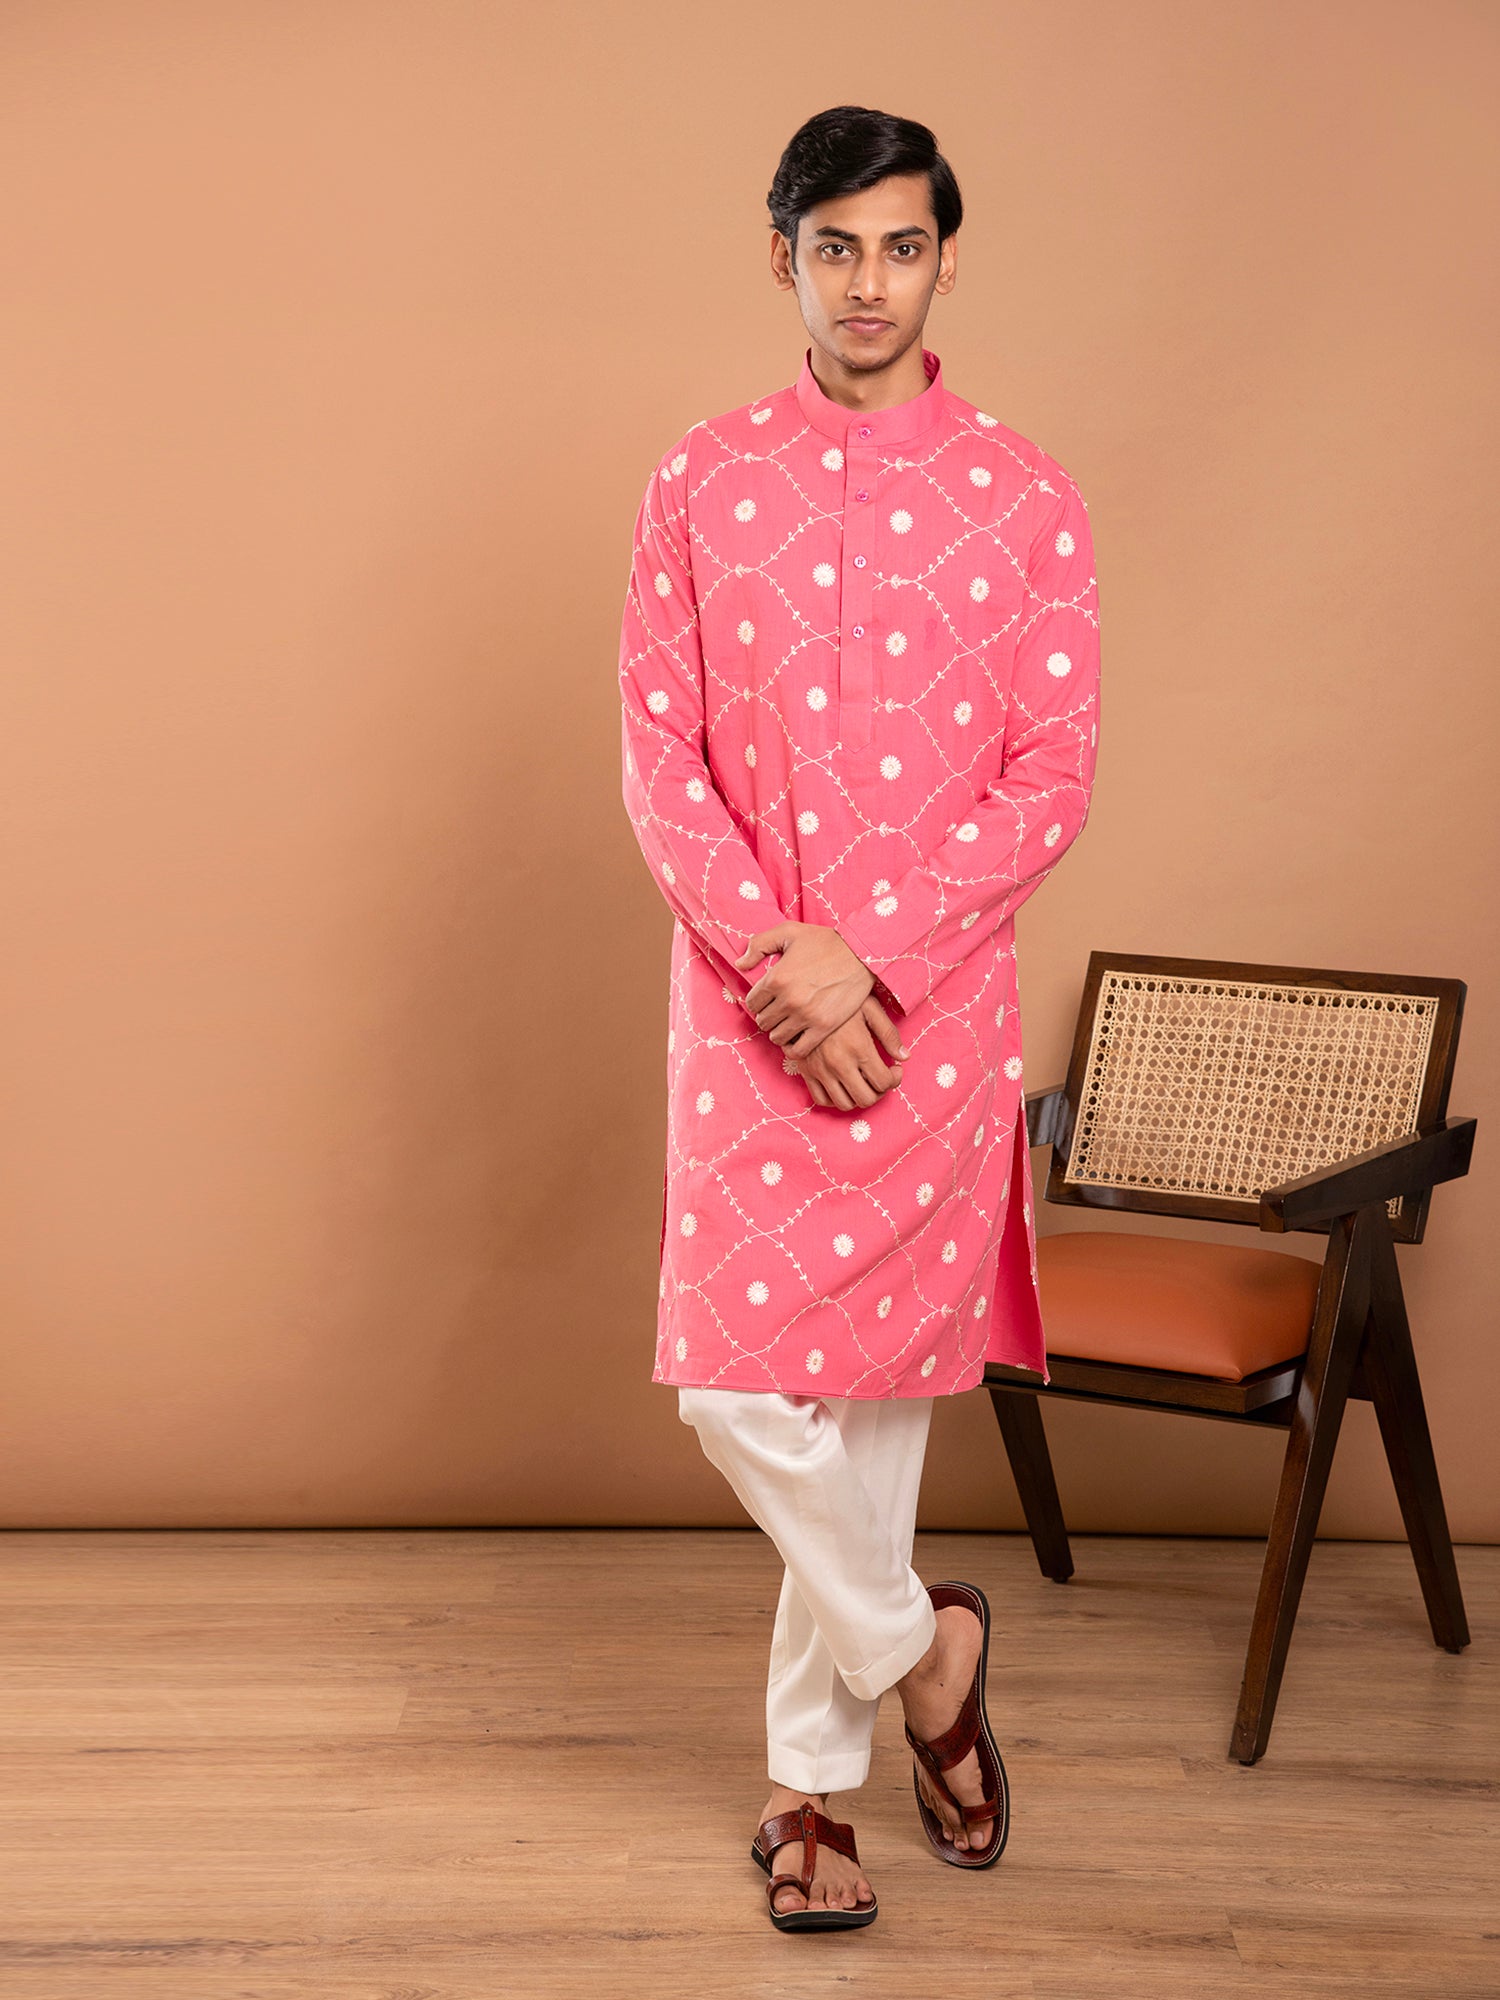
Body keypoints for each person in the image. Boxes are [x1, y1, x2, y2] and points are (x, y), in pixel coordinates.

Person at [617, 103, 1101, 1932]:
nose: (869, 282)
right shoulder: (699, 480)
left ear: (945, 262)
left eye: (902, 245)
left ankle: (808, 1798)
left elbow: (1050, 778)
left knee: (881, 1406)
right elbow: (660, 755)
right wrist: (783, 965)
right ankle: (928, 1659)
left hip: (931, 1015)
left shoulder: (1027, 496)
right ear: (785, 261)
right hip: (748, 1007)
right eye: (836, 248)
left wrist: (867, 962)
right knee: (740, 1385)